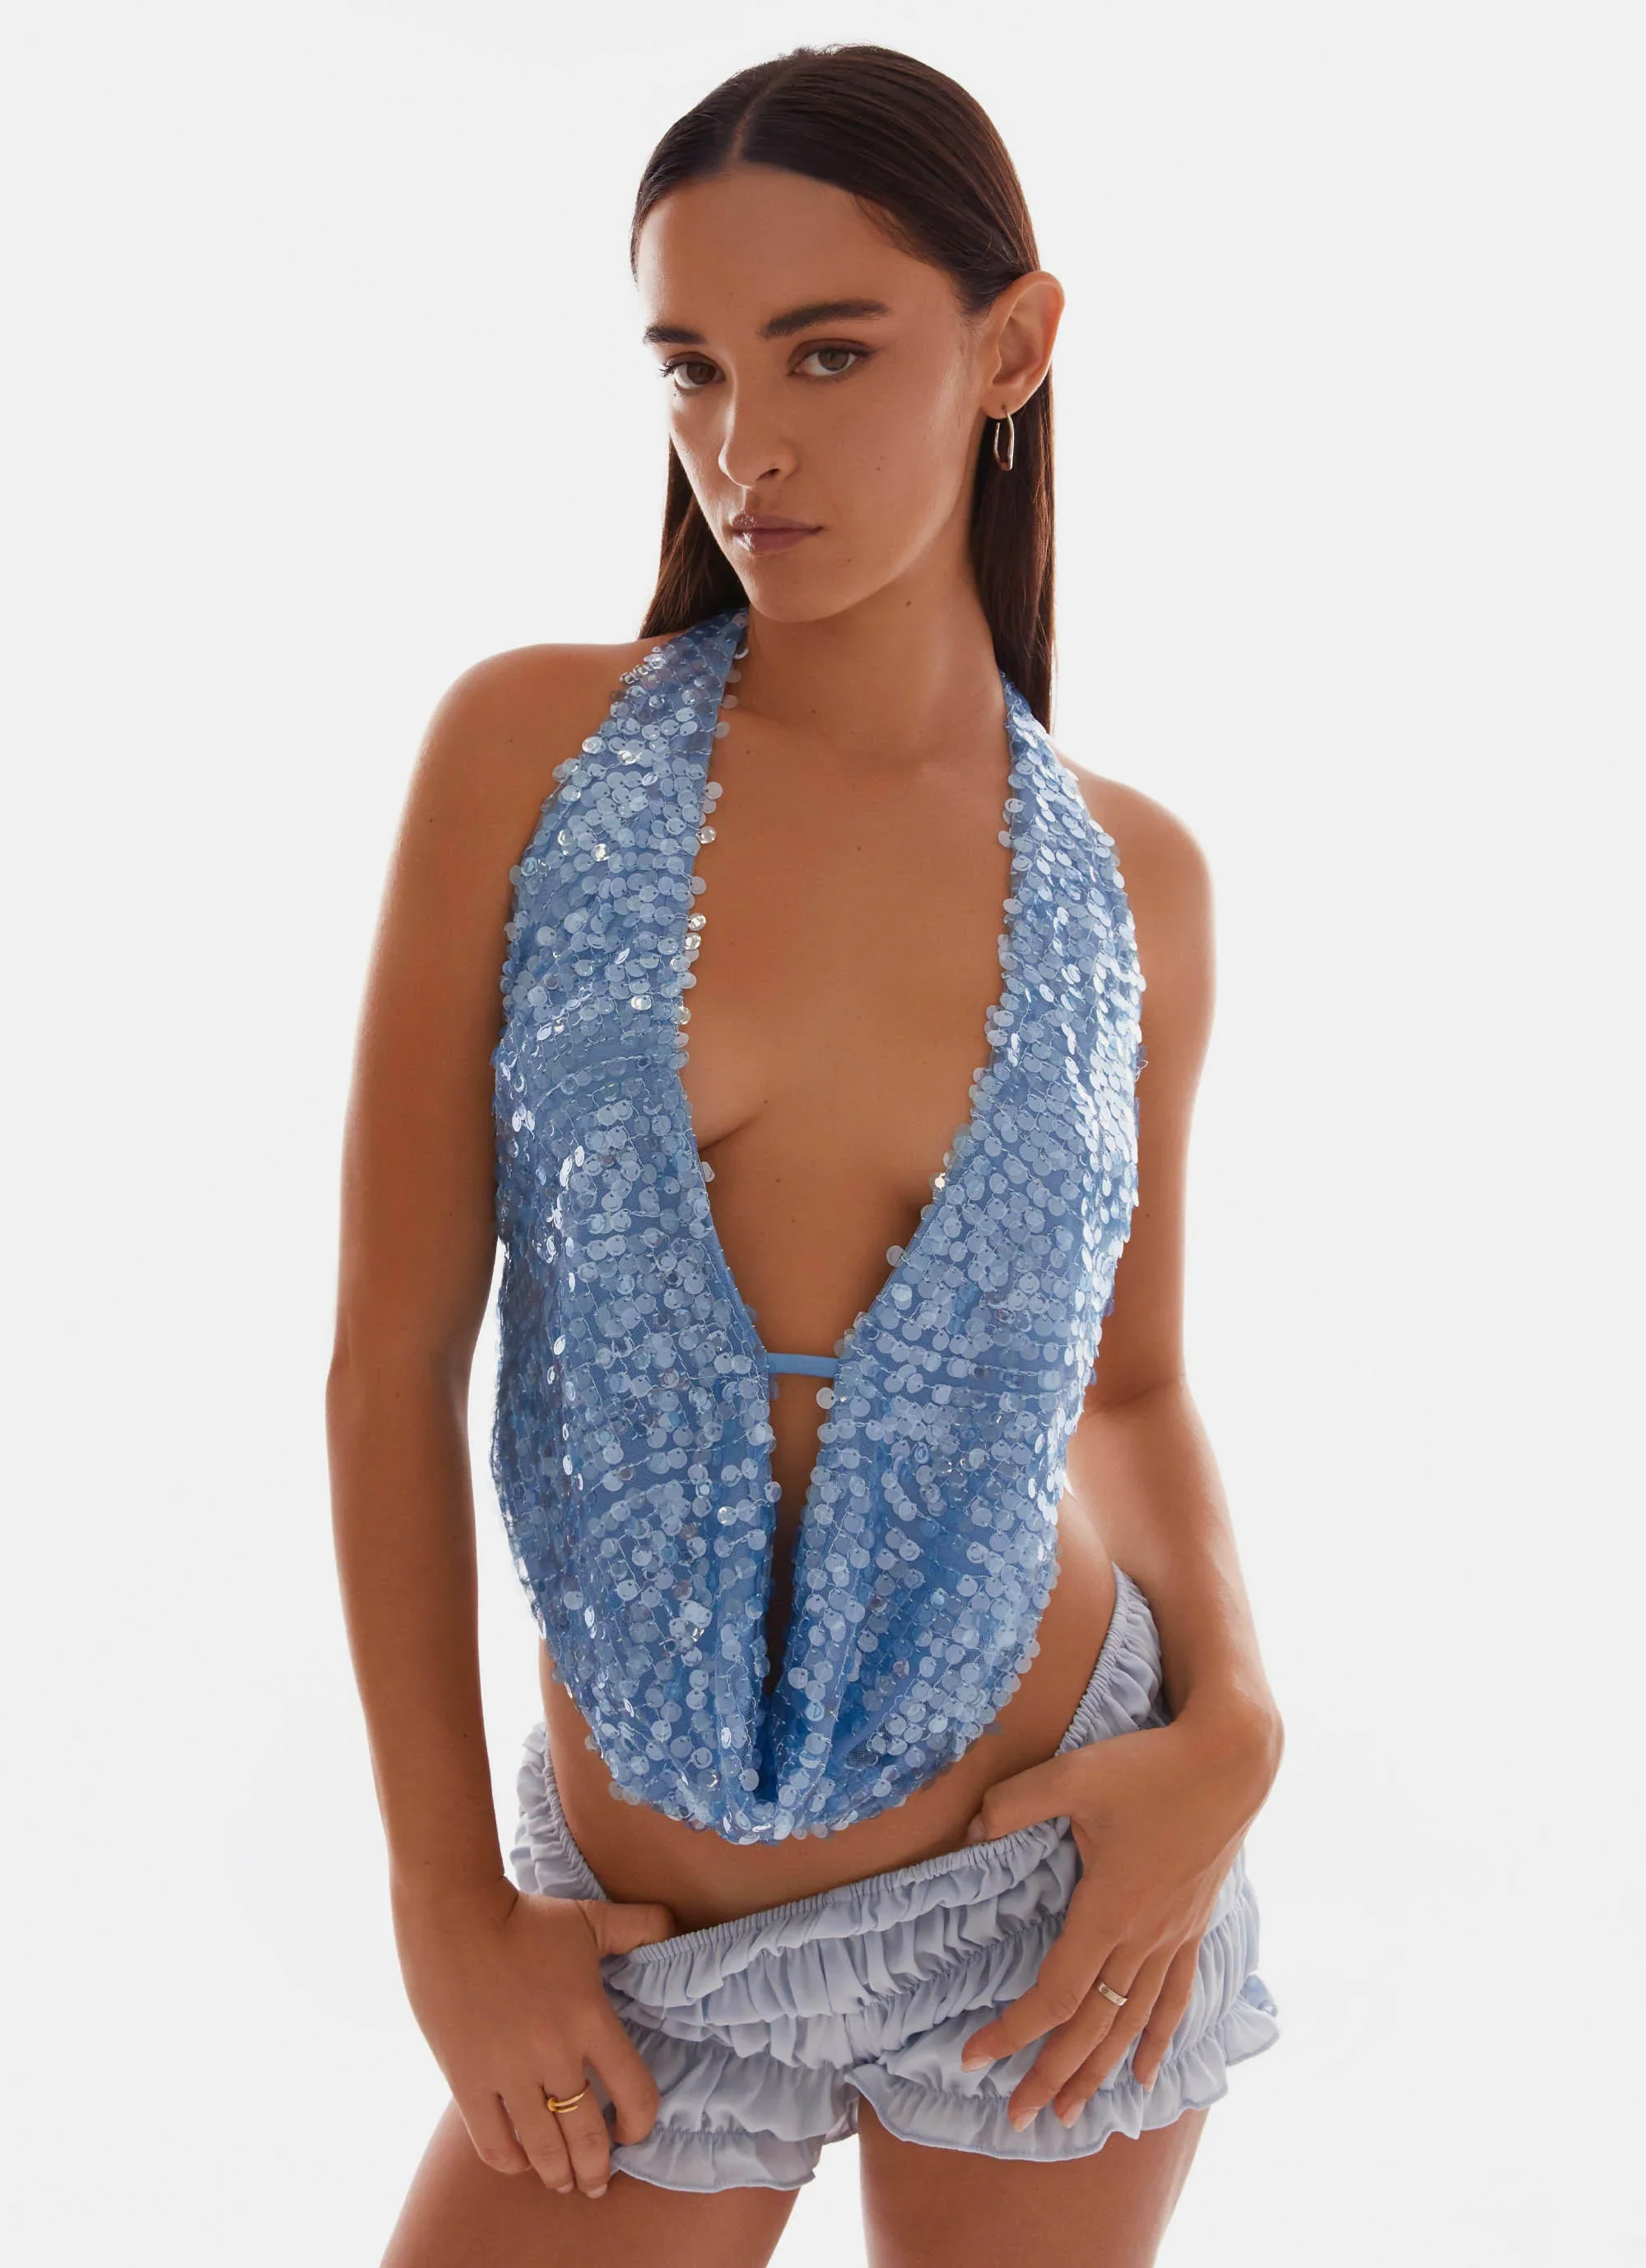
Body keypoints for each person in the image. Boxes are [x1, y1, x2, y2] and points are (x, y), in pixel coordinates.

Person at [328, 43, 1282, 2268]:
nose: (746, 445)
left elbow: (1135, 1383)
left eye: (830, 354)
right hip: (637, 1942)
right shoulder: (524, 749)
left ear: (1013, 347)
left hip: (1047, 1898)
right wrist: (445, 1905)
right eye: (694, 367)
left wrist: (1233, 1726)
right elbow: (393, 1358)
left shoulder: (1137, 881)